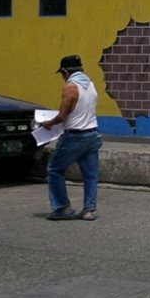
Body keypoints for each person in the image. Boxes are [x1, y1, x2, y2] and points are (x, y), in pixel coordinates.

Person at [39, 54, 102, 221]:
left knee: (55, 170)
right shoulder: (91, 85)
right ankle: (88, 210)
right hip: (93, 134)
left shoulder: (71, 87)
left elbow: (62, 116)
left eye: (62, 74)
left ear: (66, 72)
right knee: (90, 175)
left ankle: (63, 207)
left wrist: (48, 123)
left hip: (75, 136)